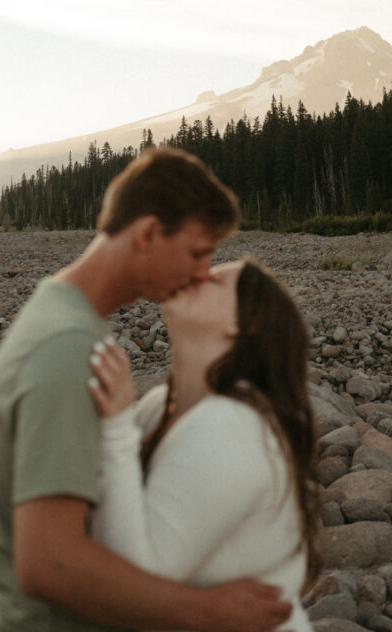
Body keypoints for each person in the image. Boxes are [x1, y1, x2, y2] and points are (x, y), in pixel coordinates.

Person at [0, 148, 293, 632]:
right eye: (199, 251)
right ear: (146, 234)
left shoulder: (63, 317)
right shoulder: (68, 346)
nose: (205, 272)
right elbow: (48, 564)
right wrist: (210, 612)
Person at [88, 259, 321, 632]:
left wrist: (115, 427)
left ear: (244, 325)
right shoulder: (157, 407)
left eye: (212, 280)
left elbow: (138, 576)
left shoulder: (236, 425)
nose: (194, 273)